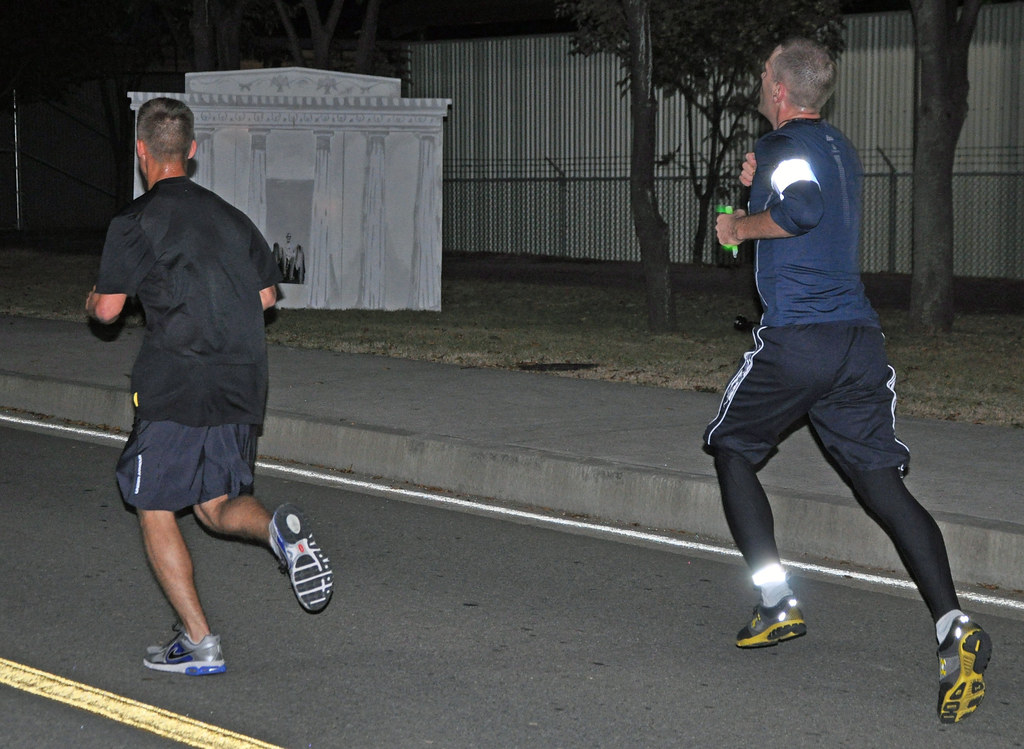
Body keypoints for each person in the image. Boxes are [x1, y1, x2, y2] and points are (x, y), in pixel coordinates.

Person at [707, 38, 990, 723]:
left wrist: (738, 223)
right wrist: (759, 177)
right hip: (858, 344)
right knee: (880, 484)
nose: (759, 76)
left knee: (733, 447)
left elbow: (799, 211)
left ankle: (776, 602)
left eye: (761, 70)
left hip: (801, 338)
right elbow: (812, 203)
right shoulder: (840, 147)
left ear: (778, 88)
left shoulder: (782, 147)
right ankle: (952, 626)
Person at [86, 97, 333, 676]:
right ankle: (278, 532)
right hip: (244, 375)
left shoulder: (134, 221)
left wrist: (97, 297)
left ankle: (199, 643)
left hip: (178, 378)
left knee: (151, 504)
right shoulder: (231, 217)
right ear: (191, 151)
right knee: (215, 504)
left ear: (142, 151)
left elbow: (108, 312)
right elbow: (267, 297)